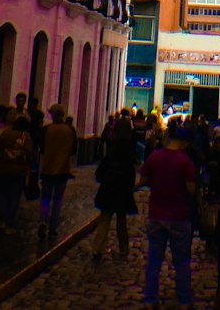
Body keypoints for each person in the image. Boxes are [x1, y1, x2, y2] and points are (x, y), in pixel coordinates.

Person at [140, 118, 197, 310]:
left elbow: (145, 180)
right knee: (181, 262)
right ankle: (184, 301)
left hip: (156, 214)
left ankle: (150, 299)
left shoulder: (154, 157)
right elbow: (191, 189)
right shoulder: (185, 162)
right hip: (179, 216)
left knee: (154, 259)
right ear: (184, 142)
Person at [91, 117, 137, 262]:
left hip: (109, 188)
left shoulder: (113, 146)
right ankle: (124, 248)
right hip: (122, 190)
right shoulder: (129, 148)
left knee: (104, 219)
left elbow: (102, 169)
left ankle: (97, 249)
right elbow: (130, 171)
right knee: (121, 221)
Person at [37, 104, 74, 242]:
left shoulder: (46, 129)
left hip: (47, 169)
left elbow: (42, 149)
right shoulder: (70, 130)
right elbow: (74, 150)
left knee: (46, 198)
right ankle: (53, 228)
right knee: (58, 200)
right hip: (63, 170)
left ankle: (43, 220)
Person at [0, 112, 33, 235]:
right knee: (14, 197)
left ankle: (2, 220)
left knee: (4, 195)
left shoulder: (5, 134)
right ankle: (9, 222)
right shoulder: (25, 137)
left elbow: (0, 149)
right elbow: (29, 153)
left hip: (4, 168)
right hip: (19, 170)